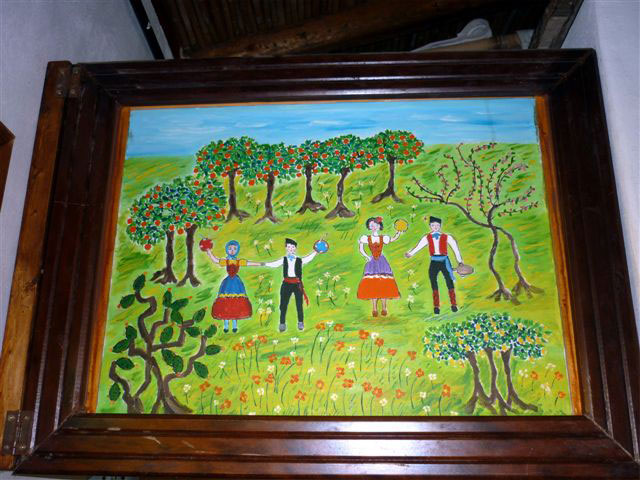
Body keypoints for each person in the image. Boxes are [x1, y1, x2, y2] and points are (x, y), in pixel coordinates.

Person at [405, 216, 463, 314]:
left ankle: (454, 305)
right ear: (430, 226)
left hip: (444, 261)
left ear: (440, 226)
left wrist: (460, 261)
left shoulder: (447, 237)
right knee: (433, 283)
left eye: (437, 225)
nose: (435, 227)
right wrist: (410, 253)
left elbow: (455, 248)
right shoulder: (427, 237)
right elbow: (419, 246)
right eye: (433, 225)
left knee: (449, 282)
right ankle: (436, 306)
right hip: (434, 262)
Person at [203, 240, 263, 333]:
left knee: (236, 304)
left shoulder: (238, 261)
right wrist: (209, 251)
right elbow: (215, 260)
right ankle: (226, 325)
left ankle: (234, 325)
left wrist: (261, 264)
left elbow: (249, 263)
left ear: (237, 250)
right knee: (226, 303)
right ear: (227, 249)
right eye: (230, 248)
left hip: (236, 284)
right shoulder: (226, 261)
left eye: (234, 249)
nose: (232, 250)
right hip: (227, 284)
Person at [263, 238, 318, 332]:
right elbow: (274, 264)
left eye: (292, 247)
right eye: (289, 247)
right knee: (283, 305)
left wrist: (316, 251)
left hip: (297, 284)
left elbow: (308, 258)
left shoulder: (299, 260)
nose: (291, 249)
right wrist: (262, 264)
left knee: (299, 304)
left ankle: (300, 322)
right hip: (286, 284)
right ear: (286, 248)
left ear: (295, 248)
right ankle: (282, 323)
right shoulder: (284, 259)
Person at [356, 216, 402, 317]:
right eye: (371, 225)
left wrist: (398, 233)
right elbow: (361, 248)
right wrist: (366, 256)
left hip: (382, 262)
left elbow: (392, 239)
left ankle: (384, 308)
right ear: (369, 227)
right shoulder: (366, 238)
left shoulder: (383, 238)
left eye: (375, 225)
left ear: (379, 226)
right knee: (373, 284)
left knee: (384, 284)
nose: (373, 227)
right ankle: (374, 308)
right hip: (372, 262)